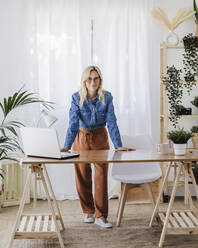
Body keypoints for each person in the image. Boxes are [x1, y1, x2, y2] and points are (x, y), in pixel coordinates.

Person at [61, 65, 134, 228]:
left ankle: (101, 216)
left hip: (100, 138)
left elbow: (112, 121)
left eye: (96, 78)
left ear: (100, 80)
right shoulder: (76, 97)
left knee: (100, 176)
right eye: (89, 78)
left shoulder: (106, 97)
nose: (93, 82)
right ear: (84, 81)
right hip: (81, 138)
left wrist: (118, 145)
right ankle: (88, 211)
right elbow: (73, 123)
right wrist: (66, 146)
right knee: (82, 175)